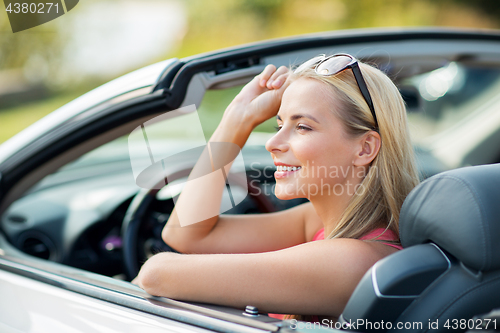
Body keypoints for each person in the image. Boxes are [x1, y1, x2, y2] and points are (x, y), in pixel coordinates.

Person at [134, 54, 420, 321]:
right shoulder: (319, 221)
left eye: (303, 127)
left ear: (365, 148)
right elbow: (185, 235)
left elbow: (156, 274)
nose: (273, 143)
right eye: (278, 125)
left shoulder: (354, 259)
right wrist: (238, 119)